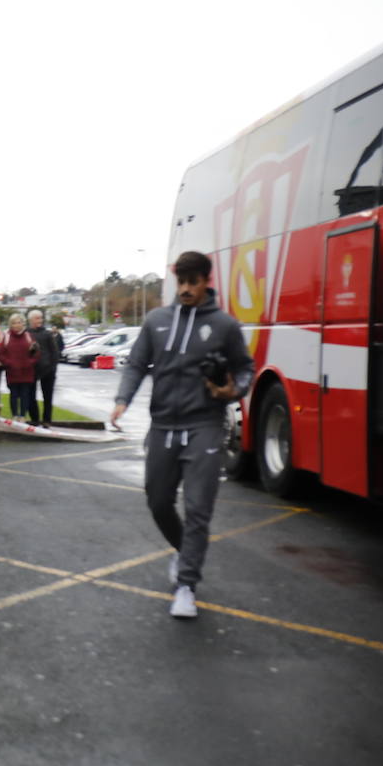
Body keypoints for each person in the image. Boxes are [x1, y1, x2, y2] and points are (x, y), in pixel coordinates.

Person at [112, 250, 252, 619]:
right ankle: (184, 551)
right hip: (162, 426)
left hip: (204, 426)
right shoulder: (158, 320)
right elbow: (138, 363)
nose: (187, 289)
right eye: (182, 282)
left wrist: (232, 392)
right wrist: (122, 400)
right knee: (158, 502)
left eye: (194, 282)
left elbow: (245, 370)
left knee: (197, 509)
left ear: (207, 282)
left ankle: (186, 584)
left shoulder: (224, 326)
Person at [0, 312, 38, 420]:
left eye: (19, 322)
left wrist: (30, 362)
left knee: (25, 395)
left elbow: (36, 353)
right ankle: (15, 415)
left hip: (26, 371)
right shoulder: (6, 337)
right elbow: (1, 355)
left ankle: (22, 416)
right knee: (14, 395)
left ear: (23, 323)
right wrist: (9, 363)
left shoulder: (28, 336)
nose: (17, 325)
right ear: (11, 325)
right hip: (12, 372)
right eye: (14, 323)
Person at [27, 309, 63, 427]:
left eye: (41, 318)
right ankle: (35, 419)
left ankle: (47, 420)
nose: (40, 320)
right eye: (37, 318)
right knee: (30, 396)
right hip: (32, 369)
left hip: (48, 369)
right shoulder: (26, 333)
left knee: (48, 396)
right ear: (31, 320)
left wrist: (53, 367)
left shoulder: (47, 334)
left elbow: (54, 352)